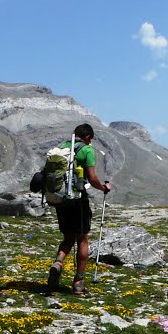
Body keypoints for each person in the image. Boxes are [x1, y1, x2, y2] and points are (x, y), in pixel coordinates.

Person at [47, 123, 111, 295]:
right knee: (82, 239)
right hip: (77, 199)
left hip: (61, 199)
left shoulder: (62, 147)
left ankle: (58, 263)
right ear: (89, 137)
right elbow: (92, 177)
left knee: (68, 237)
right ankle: (78, 283)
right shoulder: (87, 150)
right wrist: (103, 188)